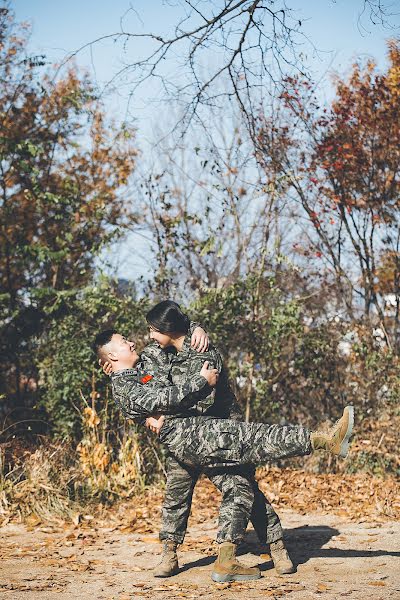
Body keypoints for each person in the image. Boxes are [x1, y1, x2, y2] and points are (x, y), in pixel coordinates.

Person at [94, 325, 354, 582]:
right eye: (123, 341)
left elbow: (152, 377)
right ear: (114, 356)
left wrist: (196, 328)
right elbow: (161, 397)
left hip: (196, 429)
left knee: (240, 485)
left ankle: (257, 551)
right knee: (251, 442)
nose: (133, 341)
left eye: (151, 330)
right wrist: (200, 382)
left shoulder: (147, 360)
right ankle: (324, 441)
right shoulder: (128, 379)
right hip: (190, 436)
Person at [144, 301, 294, 577]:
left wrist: (165, 412)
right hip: (181, 437)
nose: (150, 335)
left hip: (222, 435)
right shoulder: (158, 352)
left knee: (243, 488)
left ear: (168, 328)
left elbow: (202, 402)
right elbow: (143, 382)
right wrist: (149, 411)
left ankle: (277, 547)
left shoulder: (204, 352)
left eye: (154, 330)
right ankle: (169, 553)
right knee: (176, 493)